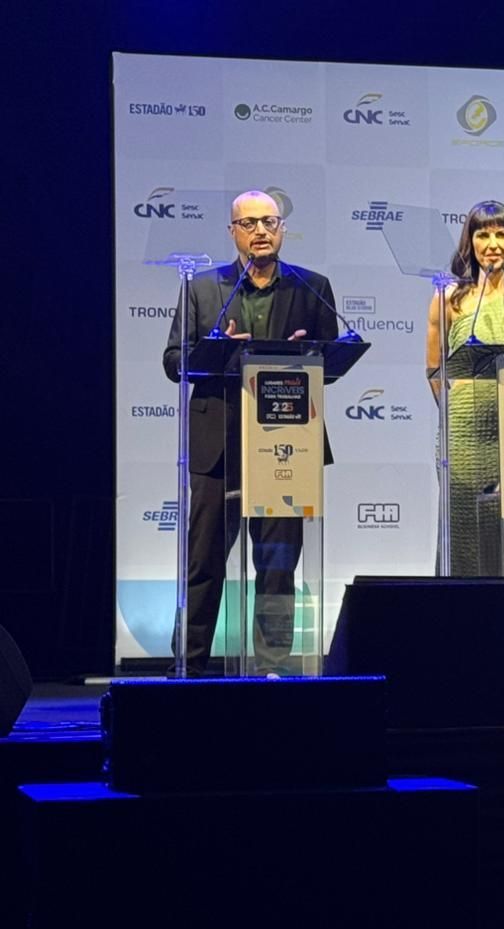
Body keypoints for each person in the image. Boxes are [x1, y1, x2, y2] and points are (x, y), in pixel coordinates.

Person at [162, 190, 339, 676]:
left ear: (282, 228)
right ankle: (189, 667)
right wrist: (218, 353)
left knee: (278, 564)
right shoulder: (202, 289)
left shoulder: (313, 287)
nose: (260, 231)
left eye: (269, 221)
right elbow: (173, 361)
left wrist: (305, 354)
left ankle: (271, 667)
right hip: (217, 447)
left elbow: (332, 361)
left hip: (287, 445)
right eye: (249, 223)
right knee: (203, 563)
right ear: (233, 232)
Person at [427, 200, 504, 576]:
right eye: (483, 234)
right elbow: (434, 370)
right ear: (470, 242)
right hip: (463, 439)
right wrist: (459, 409)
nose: (493, 244)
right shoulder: (448, 298)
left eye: (501, 234)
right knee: (465, 535)